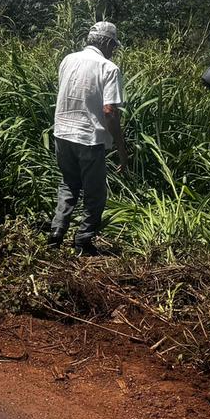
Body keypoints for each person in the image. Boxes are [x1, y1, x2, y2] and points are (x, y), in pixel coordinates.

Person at [49, 20, 129, 255]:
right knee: (95, 194)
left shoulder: (68, 60)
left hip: (62, 133)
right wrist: (122, 150)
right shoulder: (108, 68)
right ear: (105, 43)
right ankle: (83, 241)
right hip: (89, 138)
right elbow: (109, 112)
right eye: (113, 45)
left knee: (68, 184)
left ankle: (56, 233)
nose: (113, 50)